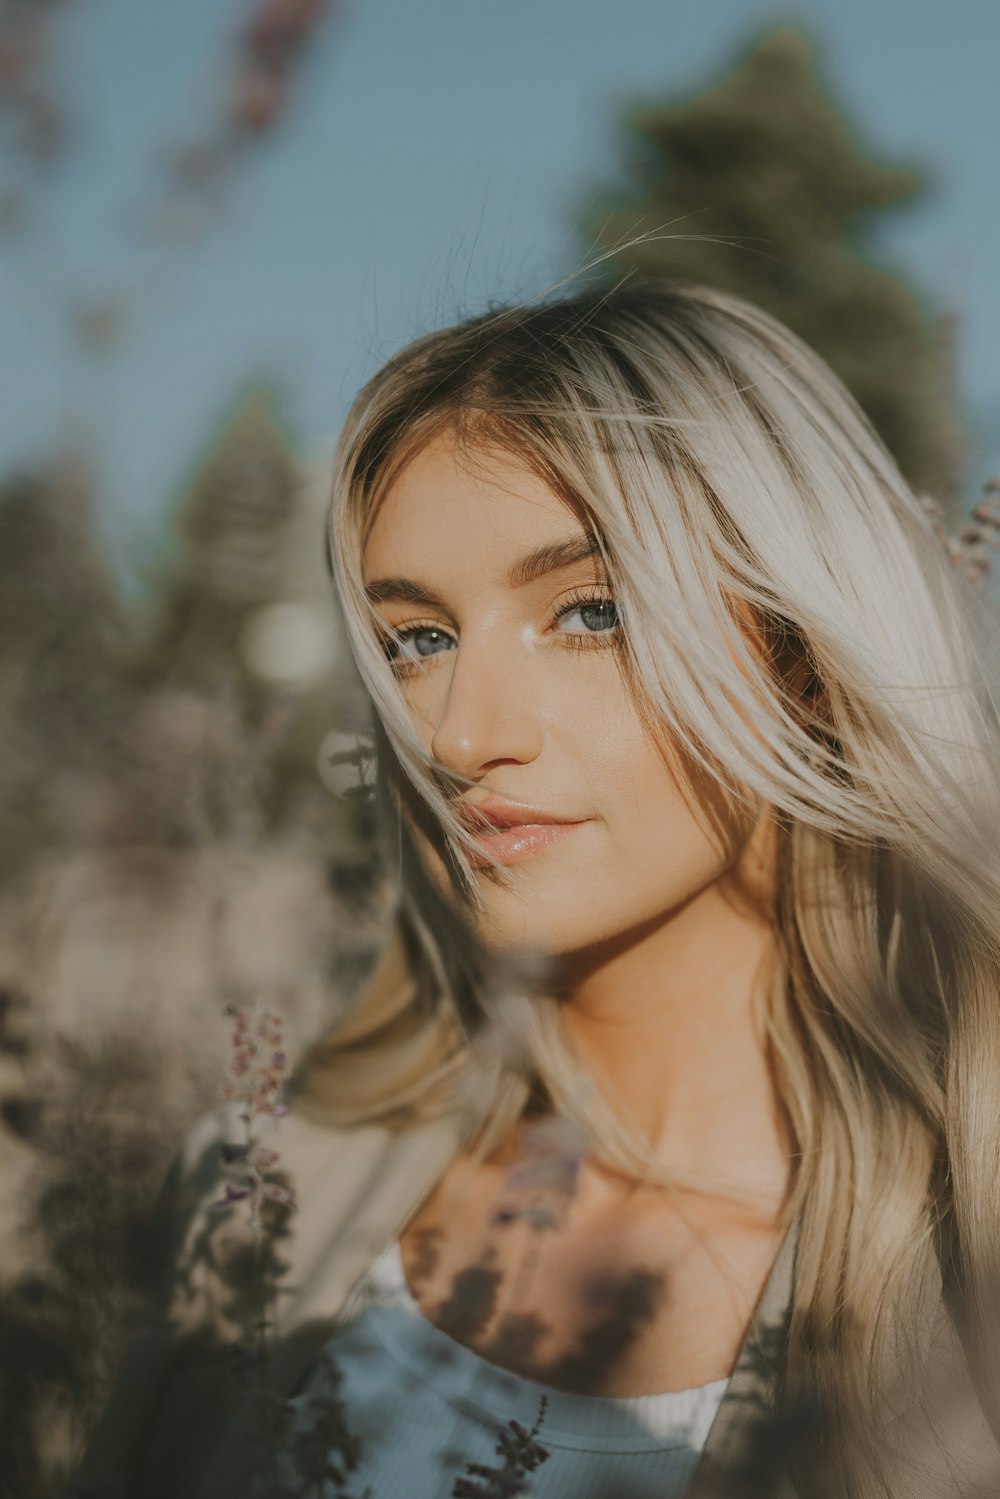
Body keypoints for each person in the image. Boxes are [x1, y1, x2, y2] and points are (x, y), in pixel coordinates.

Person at [67, 279, 1000, 1499]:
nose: (459, 734)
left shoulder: (961, 1273)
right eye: (419, 638)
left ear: (802, 651)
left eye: (588, 610)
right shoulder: (268, 1195)